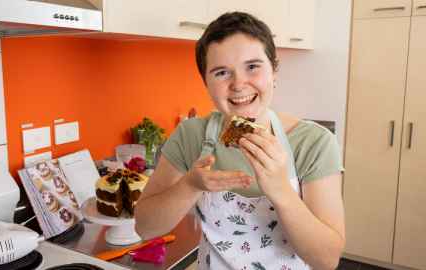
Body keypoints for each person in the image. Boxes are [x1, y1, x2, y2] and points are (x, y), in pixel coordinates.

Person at [135, 12, 345, 270]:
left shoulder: (314, 143)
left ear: (274, 70)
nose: (238, 84)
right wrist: (190, 185)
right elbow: (144, 227)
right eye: (222, 73)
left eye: (253, 67)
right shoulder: (191, 136)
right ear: (206, 84)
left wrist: (280, 189)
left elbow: (326, 261)